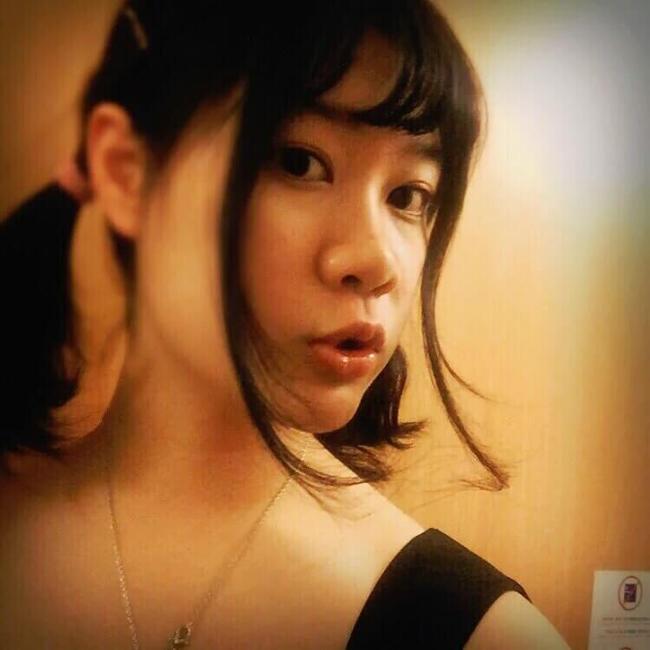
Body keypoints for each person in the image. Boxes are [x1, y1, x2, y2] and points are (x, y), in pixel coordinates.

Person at [0, 1, 571, 648]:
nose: (377, 262)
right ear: (127, 173)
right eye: (299, 162)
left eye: (408, 195)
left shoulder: (483, 635)